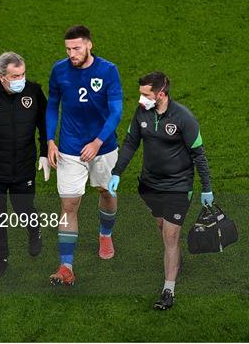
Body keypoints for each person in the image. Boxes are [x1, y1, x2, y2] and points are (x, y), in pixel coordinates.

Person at [108, 71, 214, 310]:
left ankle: (168, 290)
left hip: (177, 187)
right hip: (149, 186)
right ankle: (175, 258)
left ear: (161, 94)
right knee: (163, 229)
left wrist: (206, 188)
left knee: (170, 236)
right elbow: (131, 143)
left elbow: (199, 155)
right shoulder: (141, 113)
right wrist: (116, 172)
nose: (140, 100)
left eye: (145, 95)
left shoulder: (184, 118)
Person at [46, 25, 123, 285]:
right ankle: (66, 266)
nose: (72, 53)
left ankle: (105, 234)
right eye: (68, 49)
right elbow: (52, 107)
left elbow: (116, 112)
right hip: (69, 149)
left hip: (104, 147)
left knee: (107, 193)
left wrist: (98, 142)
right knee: (68, 205)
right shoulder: (59, 70)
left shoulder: (108, 71)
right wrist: (50, 141)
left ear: (89, 44)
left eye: (77, 48)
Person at [0, 52, 51, 278]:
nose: (20, 80)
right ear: (1, 76)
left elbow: (45, 124)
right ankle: (1, 258)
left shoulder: (33, 92)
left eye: (23, 74)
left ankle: (34, 230)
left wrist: (44, 153)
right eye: (15, 76)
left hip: (24, 167)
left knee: (23, 208)